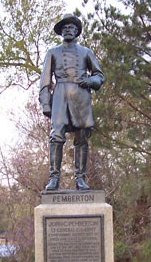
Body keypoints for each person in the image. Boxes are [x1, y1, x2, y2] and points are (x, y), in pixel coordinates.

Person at [39, 13, 105, 191]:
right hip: (60, 96)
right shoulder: (52, 52)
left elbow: (100, 75)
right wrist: (46, 103)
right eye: (65, 27)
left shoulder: (86, 52)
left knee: (82, 138)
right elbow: (45, 80)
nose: (68, 30)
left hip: (81, 96)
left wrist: (91, 81)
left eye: (72, 27)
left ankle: (80, 179)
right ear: (61, 32)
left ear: (77, 31)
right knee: (56, 136)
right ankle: (54, 178)